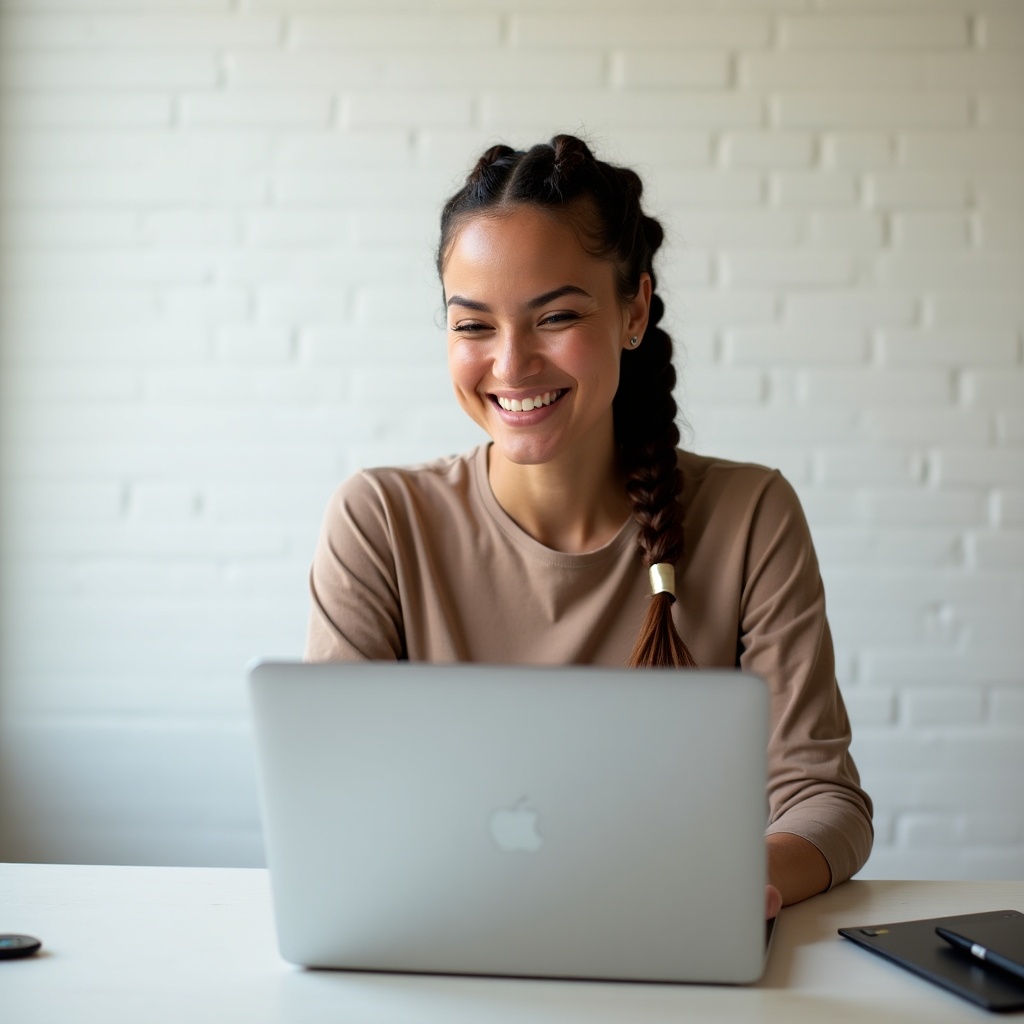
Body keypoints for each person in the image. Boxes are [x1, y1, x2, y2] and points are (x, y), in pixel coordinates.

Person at [305, 134, 873, 920]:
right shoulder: (380, 522)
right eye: (473, 326)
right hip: (443, 944)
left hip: (670, 944)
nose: (510, 365)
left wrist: (736, 881)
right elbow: (332, 806)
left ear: (634, 309)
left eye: (556, 316)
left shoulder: (750, 517)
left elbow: (823, 802)